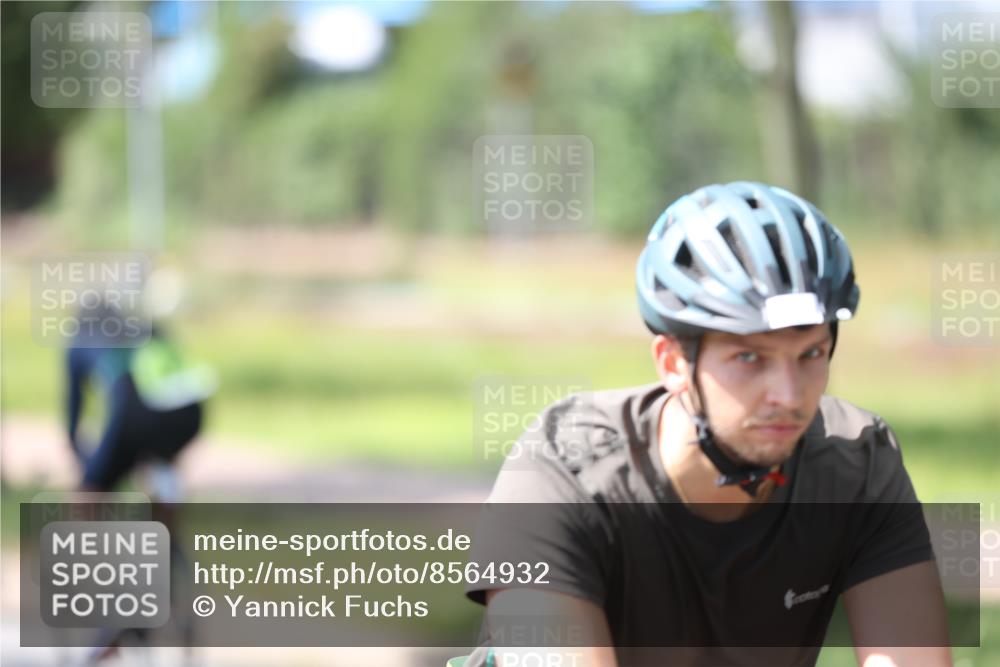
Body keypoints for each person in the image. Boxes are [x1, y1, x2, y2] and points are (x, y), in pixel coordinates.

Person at [463, 182, 951, 667]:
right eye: (749, 357)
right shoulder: (558, 471)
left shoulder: (857, 462)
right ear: (673, 362)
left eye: (811, 354)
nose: (789, 394)